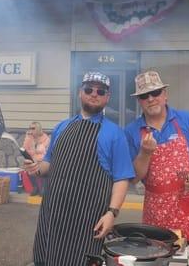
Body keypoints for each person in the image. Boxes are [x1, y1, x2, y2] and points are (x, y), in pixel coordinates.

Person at [23, 71, 134, 266]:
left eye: (100, 91)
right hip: (52, 215)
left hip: (87, 221)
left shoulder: (115, 134)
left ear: (107, 98)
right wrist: (36, 168)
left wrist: (111, 213)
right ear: (79, 93)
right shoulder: (62, 127)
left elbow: (121, 179)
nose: (94, 94)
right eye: (89, 89)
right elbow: (49, 164)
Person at [125, 70, 189, 259]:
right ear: (139, 101)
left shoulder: (186, 120)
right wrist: (145, 153)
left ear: (165, 95)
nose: (151, 99)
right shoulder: (132, 131)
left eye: (156, 93)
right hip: (156, 212)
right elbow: (134, 178)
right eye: (144, 95)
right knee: (159, 259)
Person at [23, 121, 50, 196]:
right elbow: (25, 149)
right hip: (33, 160)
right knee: (29, 168)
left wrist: (38, 157)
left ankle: (42, 189)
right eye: (30, 128)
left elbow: (46, 152)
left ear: (38, 129)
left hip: (43, 160)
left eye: (33, 128)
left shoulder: (45, 138)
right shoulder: (30, 138)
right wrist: (28, 138)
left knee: (39, 167)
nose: (31, 130)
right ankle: (35, 187)